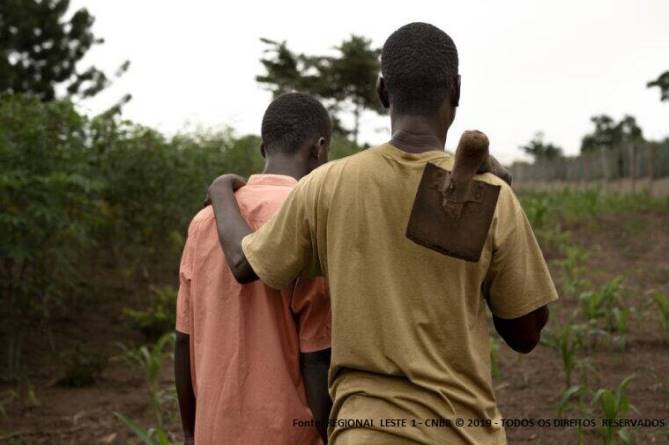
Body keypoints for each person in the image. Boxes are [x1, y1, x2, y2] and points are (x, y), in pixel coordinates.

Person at [208, 22, 559, 445]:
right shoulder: (491, 196)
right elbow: (525, 334)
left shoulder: (326, 186)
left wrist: (221, 190)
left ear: (381, 92)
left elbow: (248, 265)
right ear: (457, 91)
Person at [174, 92, 333, 445]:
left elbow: (183, 341)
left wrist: (189, 432)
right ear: (319, 149)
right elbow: (316, 358)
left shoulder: (204, 221)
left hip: (212, 432)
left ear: (264, 149)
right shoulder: (310, 221)